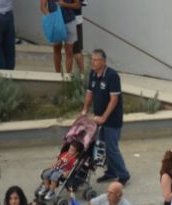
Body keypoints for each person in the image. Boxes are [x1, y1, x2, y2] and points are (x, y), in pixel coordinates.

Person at [82, 48, 130, 185]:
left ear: (103, 61)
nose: (93, 62)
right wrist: (85, 109)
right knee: (102, 146)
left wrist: (104, 117)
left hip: (112, 119)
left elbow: (114, 99)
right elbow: (89, 92)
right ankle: (111, 172)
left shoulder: (112, 76)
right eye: (92, 59)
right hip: (99, 118)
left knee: (112, 148)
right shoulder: (92, 73)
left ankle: (123, 174)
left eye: (96, 60)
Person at [40, 0, 80, 74]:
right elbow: (42, 7)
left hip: (69, 22)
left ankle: (68, 76)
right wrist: (51, 18)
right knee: (57, 49)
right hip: (56, 24)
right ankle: (57, 75)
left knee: (69, 51)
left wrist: (64, 4)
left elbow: (77, 5)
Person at [71, 0, 84, 73]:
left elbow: (78, 5)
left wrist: (63, 4)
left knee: (77, 51)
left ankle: (82, 75)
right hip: (60, 20)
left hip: (75, 21)